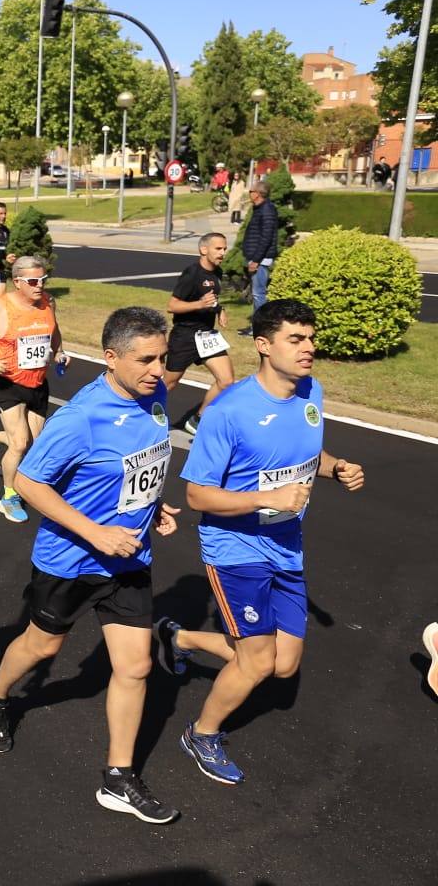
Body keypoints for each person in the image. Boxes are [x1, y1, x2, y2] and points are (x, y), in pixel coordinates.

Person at [0, 306, 181, 826]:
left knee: (134, 666)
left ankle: (119, 777)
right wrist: (94, 532)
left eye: (162, 357)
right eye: (145, 360)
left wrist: (151, 507)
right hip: (71, 560)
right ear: (111, 358)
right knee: (43, 645)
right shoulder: (81, 418)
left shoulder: (154, 397)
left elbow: (138, 466)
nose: (159, 370)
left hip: (129, 557)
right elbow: (27, 481)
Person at [153, 299, 364, 786]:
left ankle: (178, 638)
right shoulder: (230, 411)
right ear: (265, 346)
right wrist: (268, 496)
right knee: (257, 658)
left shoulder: (312, 391)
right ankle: (202, 733)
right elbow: (197, 494)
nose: (309, 348)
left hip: (286, 544)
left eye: (311, 338)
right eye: (296, 339)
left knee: (283, 666)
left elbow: (307, 451)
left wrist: (334, 467)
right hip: (235, 550)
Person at [0, 256, 70, 522]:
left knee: (35, 443)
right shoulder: (0, 308)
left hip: (37, 382)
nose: (40, 286)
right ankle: (9, 497)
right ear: (18, 282)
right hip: (7, 382)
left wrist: (59, 351)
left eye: (44, 280)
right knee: (20, 443)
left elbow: (53, 331)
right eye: (34, 281)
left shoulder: (48, 302)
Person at [163, 232, 233, 434]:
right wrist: (200, 304)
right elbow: (172, 306)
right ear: (204, 249)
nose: (222, 253)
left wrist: (220, 310)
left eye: (224, 249)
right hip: (185, 336)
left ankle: (196, 420)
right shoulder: (192, 273)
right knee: (168, 384)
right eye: (218, 248)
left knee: (226, 381)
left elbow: (211, 299)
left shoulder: (217, 273)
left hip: (207, 336)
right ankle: (138, 414)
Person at [239, 181, 278, 330]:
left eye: (251, 191)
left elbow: (266, 238)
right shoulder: (259, 208)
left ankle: (259, 328)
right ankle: (256, 325)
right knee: (257, 293)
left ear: (258, 194)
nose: (249, 193)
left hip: (260, 260)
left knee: (258, 294)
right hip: (256, 258)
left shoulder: (267, 210)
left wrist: (256, 260)